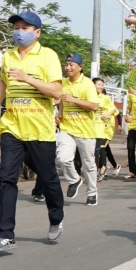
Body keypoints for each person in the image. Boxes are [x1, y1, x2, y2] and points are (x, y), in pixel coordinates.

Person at [0, 10, 67, 252]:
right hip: (12, 127)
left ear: (37, 33)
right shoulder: (8, 55)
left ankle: (56, 218)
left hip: (40, 129)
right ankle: (4, 235)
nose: (19, 32)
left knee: (48, 177)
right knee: (6, 179)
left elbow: (56, 92)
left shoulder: (48, 56)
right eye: (16, 27)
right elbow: (3, 83)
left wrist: (27, 77)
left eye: (24, 28)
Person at [57, 53, 100, 206]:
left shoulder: (87, 84)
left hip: (85, 131)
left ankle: (92, 193)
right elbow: (62, 100)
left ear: (80, 67)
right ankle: (74, 180)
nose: (67, 67)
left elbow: (94, 106)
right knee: (62, 158)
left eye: (71, 65)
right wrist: (60, 113)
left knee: (89, 164)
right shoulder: (63, 83)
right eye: (66, 64)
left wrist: (74, 100)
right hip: (66, 128)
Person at [92, 78, 120, 180]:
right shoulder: (88, 97)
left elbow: (114, 109)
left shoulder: (105, 98)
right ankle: (108, 166)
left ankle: (101, 169)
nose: (100, 87)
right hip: (90, 129)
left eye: (102, 85)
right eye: (98, 85)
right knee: (97, 151)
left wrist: (107, 114)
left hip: (104, 129)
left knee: (100, 149)